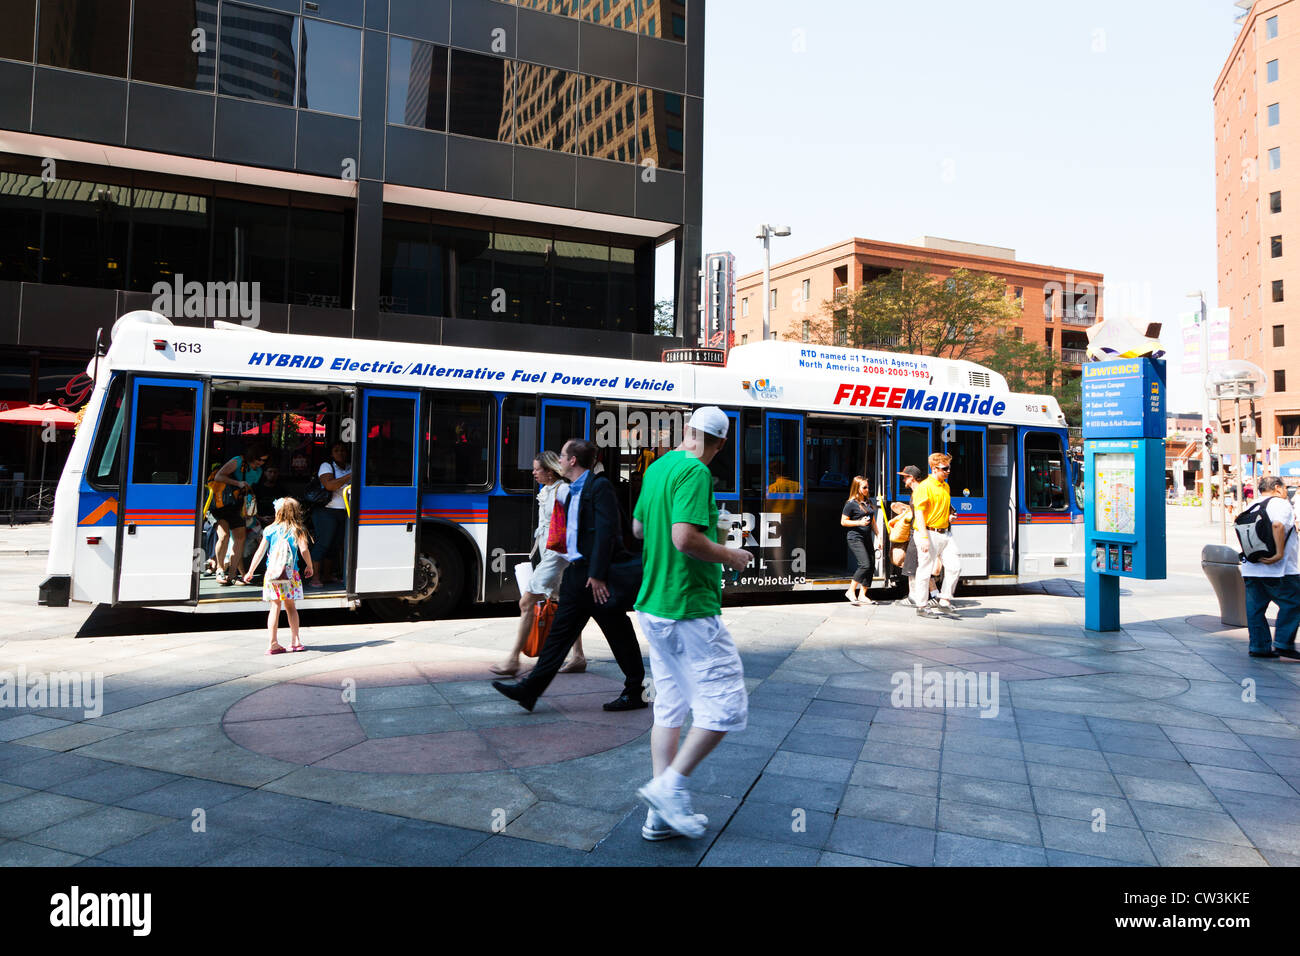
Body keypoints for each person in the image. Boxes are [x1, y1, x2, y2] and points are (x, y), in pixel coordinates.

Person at [630, 407, 752, 840]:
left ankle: (659, 816)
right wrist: (732, 554)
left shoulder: (660, 465)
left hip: (654, 605)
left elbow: (640, 529)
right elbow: (685, 538)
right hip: (688, 605)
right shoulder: (697, 473)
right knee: (725, 705)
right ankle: (670, 787)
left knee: (670, 706)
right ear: (719, 444)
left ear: (687, 431)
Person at [491, 438, 647, 713]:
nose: (559, 460)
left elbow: (607, 532)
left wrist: (597, 575)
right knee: (558, 637)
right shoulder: (570, 490)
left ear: (573, 460)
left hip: (595, 577)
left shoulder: (600, 487)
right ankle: (529, 691)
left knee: (618, 633)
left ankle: (635, 690)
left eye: (562, 456)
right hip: (577, 574)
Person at [490, 451, 585, 676]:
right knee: (565, 605)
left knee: (526, 603)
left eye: (537, 469)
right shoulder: (547, 490)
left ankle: (513, 659)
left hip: (556, 556)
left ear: (550, 471)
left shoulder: (562, 490)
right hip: (551, 554)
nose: (533, 472)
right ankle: (578, 656)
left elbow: (575, 518)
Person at [1238, 476, 1300, 660]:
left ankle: (1259, 646)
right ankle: (1283, 643)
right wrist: (1278, 554)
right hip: (1279, 569)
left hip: (1251, 567)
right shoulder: (1280, 504)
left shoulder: (1251, 505)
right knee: (1294, 602)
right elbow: (1277, 525)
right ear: (1278, 488)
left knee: (1255, 608)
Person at [243, 497, 315, 654]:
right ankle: (295, 641)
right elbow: (304, 550)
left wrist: (250, 571)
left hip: (273, 574)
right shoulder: (298, 529)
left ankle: (273, 643)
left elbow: (260, 552)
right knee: (291, 607)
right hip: (290, 574)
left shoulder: (269, 529)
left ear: (278, 512)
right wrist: (309, 565)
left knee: (275, 606)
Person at [209, 442, 269, 586]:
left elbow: (249, 489)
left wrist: (251, 510)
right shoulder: (238, 460)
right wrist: (238, 483)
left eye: (264, 461)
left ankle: (232, 575)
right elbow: (218, 476)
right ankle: (220, 570)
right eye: (259, 459)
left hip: (236, 505)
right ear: (252, 457)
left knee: (240, 538)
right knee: (223, 536)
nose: (261, 463)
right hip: (220, 503)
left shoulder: (259, 472)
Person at [911, 453, 962, 615]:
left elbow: (938, 509)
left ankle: (945, 599)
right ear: (934, 468)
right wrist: (924, 537)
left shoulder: (945, 487)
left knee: (955, 567)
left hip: (945, 532)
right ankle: (921, 605)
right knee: (925, 570)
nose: (948, 472)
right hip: (928, 533)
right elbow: (919, 514)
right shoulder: (924, 487)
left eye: (949, 468)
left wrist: (948, 517)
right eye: (945, 469)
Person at [309, 442, 351, 589]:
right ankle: (314, 577)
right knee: (323, 543)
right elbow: (330, 485)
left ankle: (327, 575)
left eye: (343, 450)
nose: (340, 453)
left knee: (335, 545)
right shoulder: (326, 466)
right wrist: (351, 476)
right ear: (331, 454)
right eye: (336, 450)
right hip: (326, 511)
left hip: (344, 511)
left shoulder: (349, 466)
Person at [841, 475, 878, 605]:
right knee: (865, 564)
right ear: (857, 488)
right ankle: (851, 591)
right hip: (855, 538)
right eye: (865, 487)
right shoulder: (851, 504)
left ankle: (863, 594)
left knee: (871, 565)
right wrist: (859, 522)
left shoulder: (868, 502)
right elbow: (843, 522)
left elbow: (872, 521)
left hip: (867, 537)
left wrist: (878, 536)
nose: (867, 489)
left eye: (868, 487)